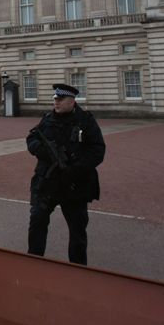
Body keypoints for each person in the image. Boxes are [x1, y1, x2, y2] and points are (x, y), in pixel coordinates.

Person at [26, 83, 105, 265]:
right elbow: (31, 138)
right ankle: (33, 261)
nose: (56, 103)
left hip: (74, 184)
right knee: (37, 220)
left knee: (77, 229)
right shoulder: (47, 118)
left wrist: (75, 169)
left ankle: (77, 267)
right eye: (55, 99)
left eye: (60, 100)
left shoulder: (86, 121)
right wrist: (41, 150)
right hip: (48, 182)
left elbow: (97, 151)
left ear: (72, 101)